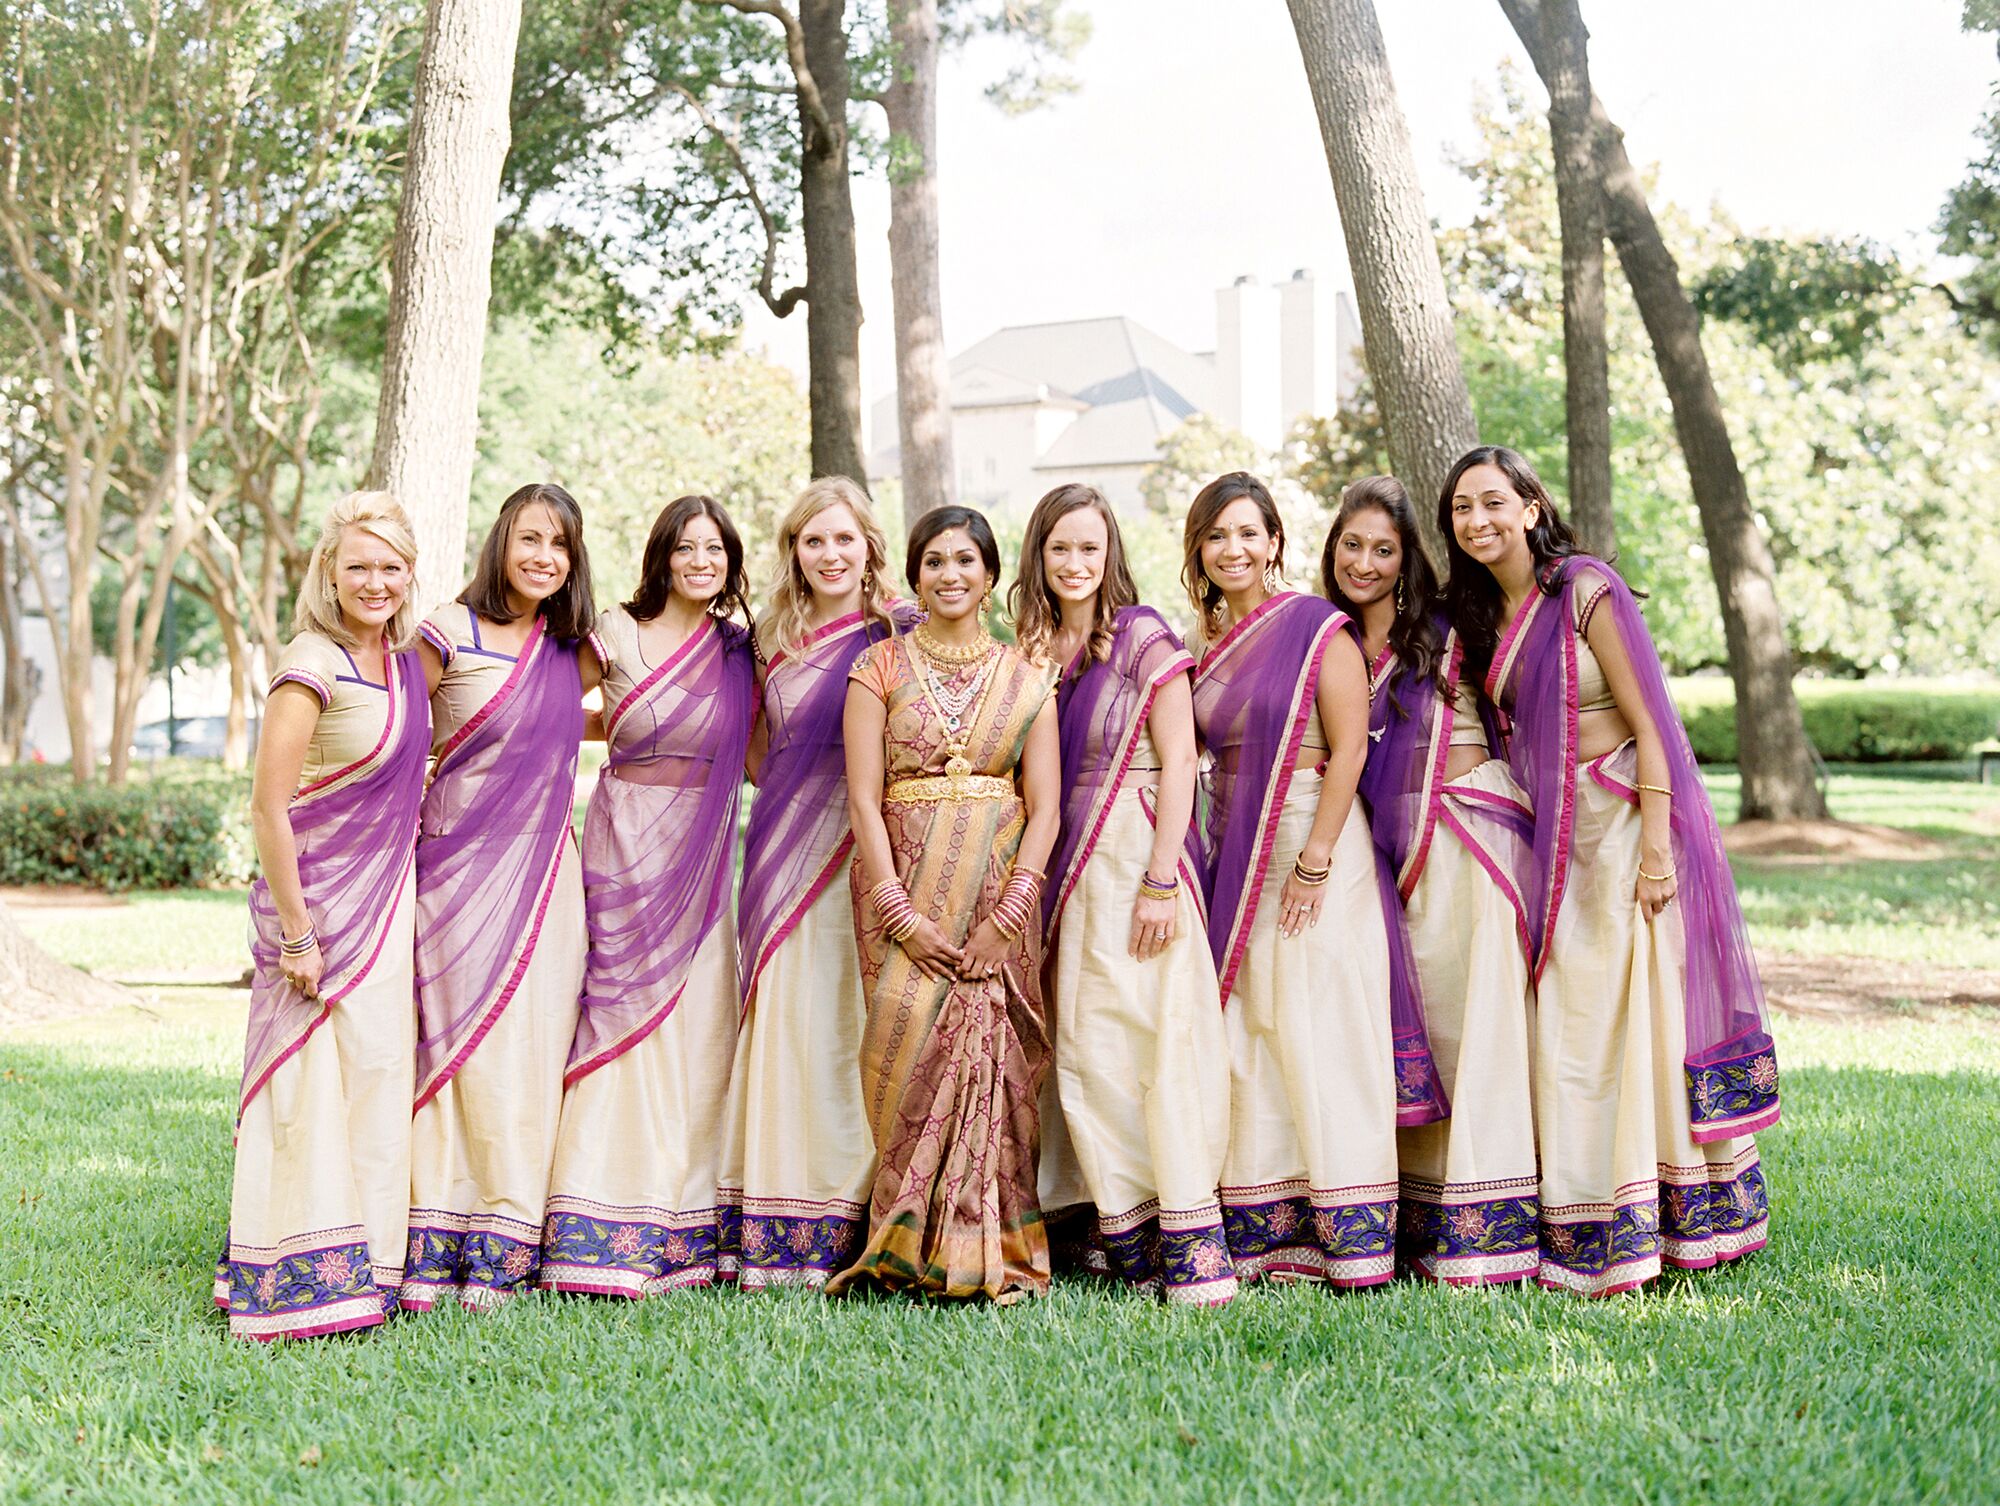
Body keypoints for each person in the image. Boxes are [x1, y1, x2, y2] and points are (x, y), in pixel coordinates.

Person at [1440, 445, 1777, 1295]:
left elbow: (1649, 718)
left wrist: (1659, 842)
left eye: (1492, 503)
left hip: (1628, 817)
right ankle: (1585, 1213)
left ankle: (1675, 1219)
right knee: (1572, 1022)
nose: (1477, 521)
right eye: (1460, 510)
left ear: (1529, 506)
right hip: (1554, 835)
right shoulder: (1482, 615)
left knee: (1638, 1017)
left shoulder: (1584, 588)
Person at [1187, 471, 1446, 1288]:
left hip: (1309, 838)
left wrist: (1314, 859)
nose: (1234, 548)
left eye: (1247, 534)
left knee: (1322, 1025)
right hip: (1236, 848)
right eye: (1217, 535)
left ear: (1275, 543)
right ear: (1199, 549)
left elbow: (1351, 749)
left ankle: (1353, 1230)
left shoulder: (1313, 628)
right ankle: (1269, 1230)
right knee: (1256, 1029)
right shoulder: (1204, 643)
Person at [826, 506, 1062, 1302]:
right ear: (915, 575)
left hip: (998, 905)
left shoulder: (1029, 679)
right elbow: (863, 800)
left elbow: (1047, 807)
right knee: (905, 1062)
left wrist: (1009, 918)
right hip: (901, 902)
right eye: (933, 561)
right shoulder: (879, 669)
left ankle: (989, 1244)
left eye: (966, 560)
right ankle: (903, 1245)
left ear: (991, 575)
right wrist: (900, 914)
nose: (950, 575)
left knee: (995, 1068)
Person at [1012, 482, 1236, 1305]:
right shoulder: (1038, 648)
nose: (1075, 564)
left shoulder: (1141, 636)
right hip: (1069, 864)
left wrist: (1160, 879)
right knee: (1089, 1043)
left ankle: (1181, 1233)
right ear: (1039, 555)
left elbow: (1180, 761)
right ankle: (1111, 1231)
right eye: (1060, 548)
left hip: (1139, 854)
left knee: (1154, 1036)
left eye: (1089, 549)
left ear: (1111, 556)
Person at [216, 492, 429, 1340]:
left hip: (388, 903)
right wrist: (297, 933)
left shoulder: (407, 661)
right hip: (315, 911)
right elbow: (269, 808)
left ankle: (364, 1266)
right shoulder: (313, 659)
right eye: (359, 566)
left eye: (389, 566)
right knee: (307, 1086)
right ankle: (284, 1265)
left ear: (410, 574)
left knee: (376, 1078)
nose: (375, 581)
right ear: (328, 574)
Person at [537, 496, 759, 1296]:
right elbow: (550, 705)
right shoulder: (616, 631)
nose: (701, 562)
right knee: (618, 1010)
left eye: (716, 550)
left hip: (703, 855)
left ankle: (687, 1217)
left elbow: (765, 756)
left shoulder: (740, 650)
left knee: (699, 1023)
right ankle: (599, 1208)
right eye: (686, 549)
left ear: (731, 562)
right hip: (625, 840)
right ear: (661, 556)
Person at [1323, 476, 1539, 1285]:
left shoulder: (1448, 626)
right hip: (1384, 861)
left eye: (1385, 549)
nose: (1367, 562)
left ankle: (1490, 1225)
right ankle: (1419, 1214)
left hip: (1467, 841)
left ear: (1410, 557)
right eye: (1353, 545)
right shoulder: (1329, 639)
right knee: (1422, 1034)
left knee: (1477, 1025)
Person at [403, 482, 604, 1310]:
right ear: (501, 542)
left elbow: (616, 711)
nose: (542, 557)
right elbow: (399, 744)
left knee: (528, 1053)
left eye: (559, 544)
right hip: (456, 874)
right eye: (529, 539)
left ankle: (506, 1232)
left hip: (549, 881)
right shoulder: (445, 633)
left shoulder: (578, 650)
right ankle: (432, 1229)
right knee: (457, 1049)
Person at [717, 478, 909, 1290]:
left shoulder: (902, 628)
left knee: (860, 1019)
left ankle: (863, 1206)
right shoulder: (771, 635)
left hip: (875, 856)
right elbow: (757, 750)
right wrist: (803, 796)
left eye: (844, 539)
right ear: (794, 551)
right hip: (785, 854)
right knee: (793, 1018)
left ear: (870, 544)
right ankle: (778, 1215)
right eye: (813, 541)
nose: (830, 555)